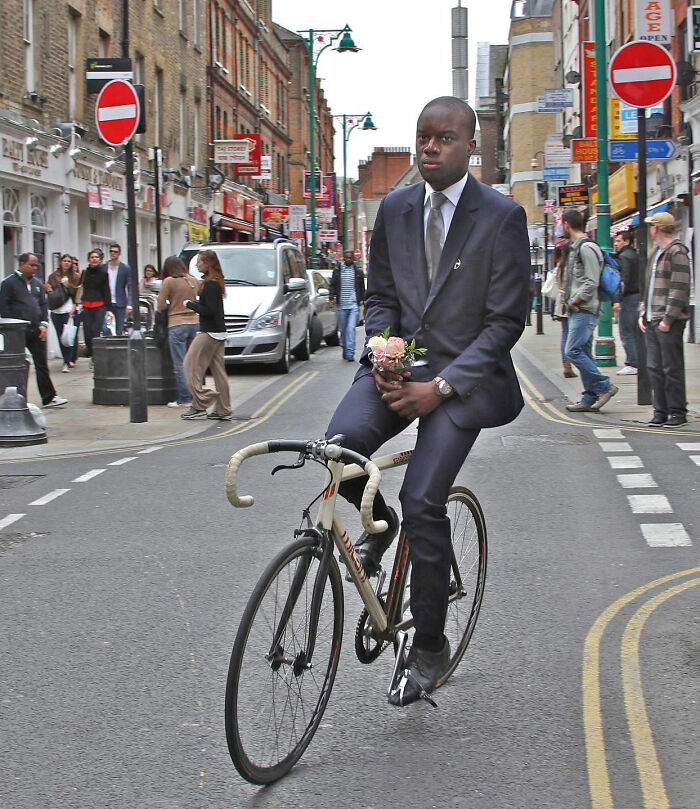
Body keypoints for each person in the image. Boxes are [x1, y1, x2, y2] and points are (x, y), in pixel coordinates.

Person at [325, 97, 530, 706]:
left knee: (423, 499)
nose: (430, 147)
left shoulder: (501, 217)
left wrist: (438, 388)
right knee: (337, 449)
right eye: (422, 137)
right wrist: (386, 351)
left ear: (471, 147)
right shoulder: (394, 207)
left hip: (465, 383)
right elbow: (380, 295)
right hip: (401, 366)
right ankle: (379, 527)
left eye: (444, 138)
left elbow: (505, 324)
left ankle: (432, 646)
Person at [560, 209, 618, 413]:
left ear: (566, 224)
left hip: (585, 308)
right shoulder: (576, 247)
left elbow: (592, 281)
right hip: (578, 309)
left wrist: (576, 298)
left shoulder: (586, 248)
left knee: (572, 350)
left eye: (561, 224)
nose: (561, 227)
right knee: (583, 351)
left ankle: (604, 386)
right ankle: (589, 397)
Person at [639, 212, 691, 427]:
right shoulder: (656, 253)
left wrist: (668, 319)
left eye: (652, 226)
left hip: (668, 320)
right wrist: (643, 312)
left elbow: (679, 288)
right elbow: (648, 287)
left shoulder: (677, 252)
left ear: (657, 228)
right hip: (652, 319)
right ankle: (660, 412)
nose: (651, 229)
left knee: (671, 368)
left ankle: (677, 412)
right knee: (654, 368)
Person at [0, 253, 68, 408]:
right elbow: (4, 307)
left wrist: (43, 324)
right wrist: (14, 323)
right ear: (22, 264)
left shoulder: (37, 284)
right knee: (16, 364)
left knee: (41, 364)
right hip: (16, 330)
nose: (35, 268)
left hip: (36, 329)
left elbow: (43, 305)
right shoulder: (9, 283)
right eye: (32, 265)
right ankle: (13, 398)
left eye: (37, 265)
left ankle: (49, 397)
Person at [181, 249, 232, 421]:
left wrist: (190, 304)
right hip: (219, 331)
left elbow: (209, 311)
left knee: (190, 366)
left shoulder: (210, 284)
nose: (197, 265)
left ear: (208, 264)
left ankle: (200, 404)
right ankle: (223, 409)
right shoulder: (216, 281)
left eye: (200, 262)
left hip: (209, 331)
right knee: (218, 372)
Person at [157, 256, 200, 408]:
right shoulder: (193, 280)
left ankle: (184, 398)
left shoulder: (169, 281)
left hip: (177, 324)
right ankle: (195, 395)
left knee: (179, 364)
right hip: (194, 323)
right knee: (191, 363)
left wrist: (170, 304)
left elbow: (160, 305)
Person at [45, 253, 81, 372]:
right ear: (61, 262)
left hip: (68, 309)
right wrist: (50, 288)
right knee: (60, 336)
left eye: (69, 261)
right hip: (56, 309)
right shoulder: (53, 276)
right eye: (64, 261)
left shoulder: (75, 276)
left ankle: (67, 361)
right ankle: (66, 359)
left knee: (68, 336)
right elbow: (49, 288)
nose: (66, 263)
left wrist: (68, 286)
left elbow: (77, 292)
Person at [612, 230, 640, 376]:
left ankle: (632, 363)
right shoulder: (635, 255)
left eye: (619, 241)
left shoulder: (624, 257)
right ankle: (636, 361)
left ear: (627, 242)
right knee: (634, 331)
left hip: (629, 298)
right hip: (637, 296)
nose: (616, 244)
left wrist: (617, 299)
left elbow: (623, 280)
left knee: (626, 331)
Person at [330, 249, 365, 361]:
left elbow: (362, 289)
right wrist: (331, 298)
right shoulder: (337, 271)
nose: (348, 259)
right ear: (343, 258)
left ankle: (350, 353)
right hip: (342, 305)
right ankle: (345, 347)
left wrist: (364, 303)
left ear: (353, 259)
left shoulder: (358, 272)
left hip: (354, 305)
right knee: (343, 330)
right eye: (347, 257)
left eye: (350, 258)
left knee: (351, 329)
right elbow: (333, 286)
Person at [80, 249, 111, 362]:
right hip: (87, 305)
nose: (94, 259)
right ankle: (90, 350)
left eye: (96, 257)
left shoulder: (103, 274)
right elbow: (79, 288)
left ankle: (95, 358)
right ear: (89, 260)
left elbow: (106, 290)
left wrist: (108, 308)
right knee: (87, 333)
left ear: (100, 260)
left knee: (95, 331)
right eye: (92, 257)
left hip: (99, 305)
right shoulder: (84, 273)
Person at [552, 239, 576, 379]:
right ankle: (569, 365)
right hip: (569, 303)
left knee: (565, 334)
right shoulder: (569, 267)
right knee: (570, 334)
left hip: (561, 304)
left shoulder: (559, 266)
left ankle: (566, 365)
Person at [106, 243, 131, 335]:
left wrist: (129, 304)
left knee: (119, 329)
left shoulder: (125, 268)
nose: (113, 253)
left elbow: (130, 286)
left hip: (120, 303)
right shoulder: (104, 267)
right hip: (107, 303)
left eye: (115, 251)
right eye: (111, 251)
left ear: (119, 253)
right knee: (106, 329)